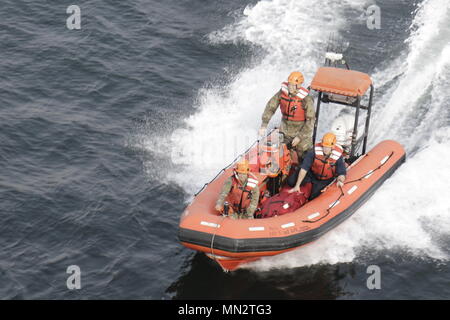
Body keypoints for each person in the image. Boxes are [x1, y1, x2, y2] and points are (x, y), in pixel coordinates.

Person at [258, 71, 315, 163]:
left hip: (301, 131)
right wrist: (264, 125)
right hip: (285, 129)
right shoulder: (282, 93)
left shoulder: (306, 99)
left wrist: (299, 137)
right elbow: (270, 107)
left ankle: (303, 172)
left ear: (299, 85)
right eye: (289, 84)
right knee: (279, 152)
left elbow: (310, 121)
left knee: (303, 155)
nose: (290, 87)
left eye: (293, 85)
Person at [288, 132, 346, 200]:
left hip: (325, 180)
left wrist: (340, 181)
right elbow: (304, 168)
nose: (326, 149)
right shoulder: (314, 151)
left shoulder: (338, 156)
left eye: (328, 147)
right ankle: (307, 183)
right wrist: (297, 185)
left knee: (314, 197)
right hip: (312, 174)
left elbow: (341, 173)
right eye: (324, 146)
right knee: (291, 182)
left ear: (332, 147)